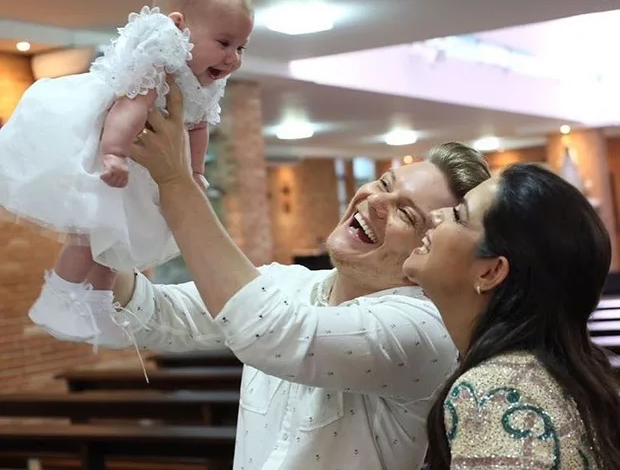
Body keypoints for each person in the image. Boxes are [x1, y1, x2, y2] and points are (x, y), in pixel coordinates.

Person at [39, 80, 490, 469]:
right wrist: (103, 209)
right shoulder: (288, 284)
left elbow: (273, 331)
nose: (375, 201)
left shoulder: (425, 330)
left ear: (429, 248)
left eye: (406, 214)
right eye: (386, 184)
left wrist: (177, 180)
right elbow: (154, 313)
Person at [0, 0, 253, 345]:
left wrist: (196, 172)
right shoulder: (161, 59)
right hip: (110, 150)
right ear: (179, 26)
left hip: (143, 162)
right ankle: (60, 295)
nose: (233, 58)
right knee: (88, 237)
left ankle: (101, 307)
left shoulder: (206, 81)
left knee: (118, 246)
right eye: (223, 43)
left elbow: (198, 126)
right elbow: (130, 106)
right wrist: (113, 153)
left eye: (240, 47)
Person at [403, 163, 620, 469]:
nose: (434, 216)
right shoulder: (557, 374)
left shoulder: (495, 392)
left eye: (458, 216)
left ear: (491, 271)